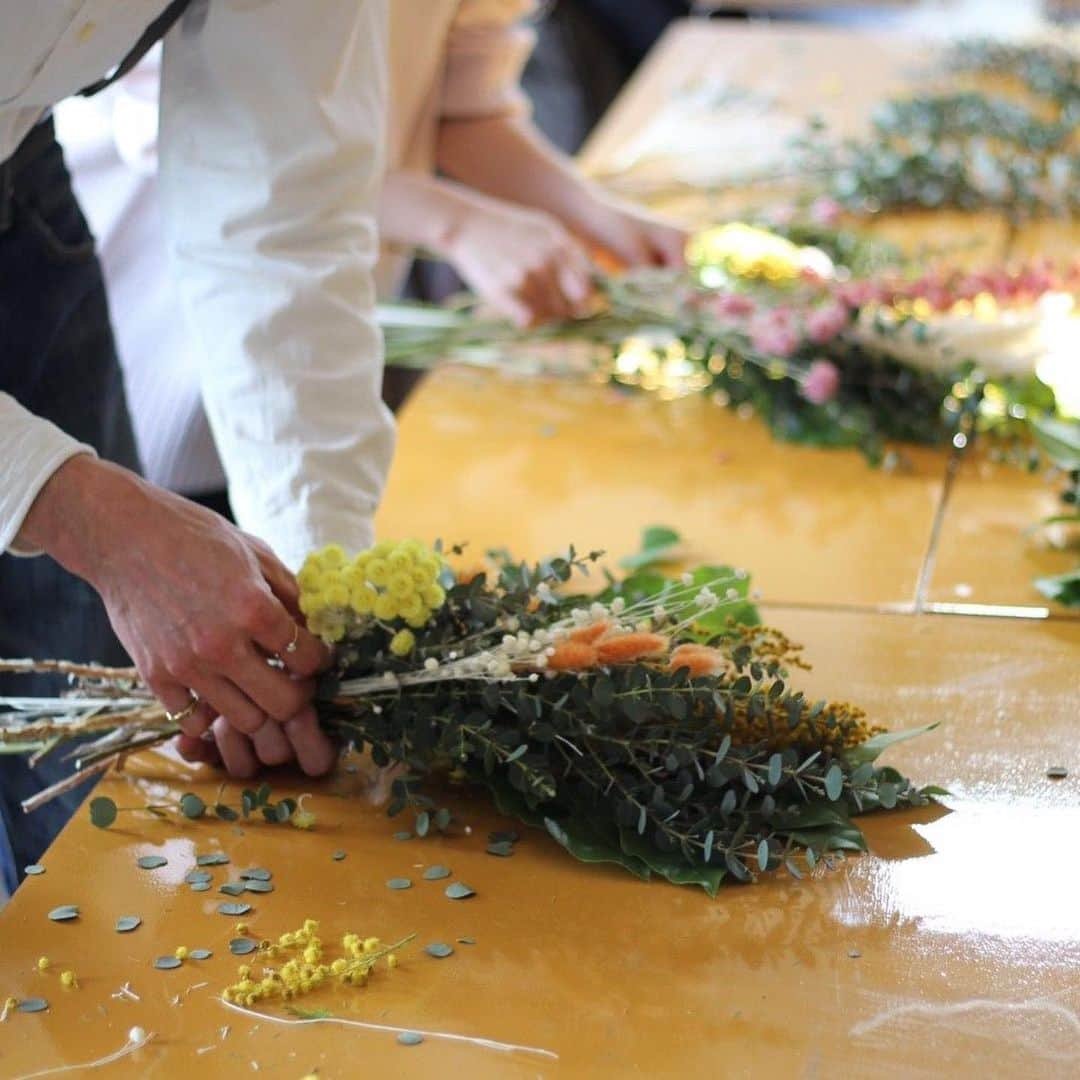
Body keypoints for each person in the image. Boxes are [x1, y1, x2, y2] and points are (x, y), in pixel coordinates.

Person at [0, 1, 394, 893]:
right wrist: (91, 516)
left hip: (16, 182)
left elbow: (279, 210)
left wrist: (305, 587)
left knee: (88, 809)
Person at [54, 0, 688, 506]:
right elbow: (209, 151)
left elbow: (466, 113)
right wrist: (460, 225)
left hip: (318, 292)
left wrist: (597, 218)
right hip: (161, 313)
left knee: (300, 489)